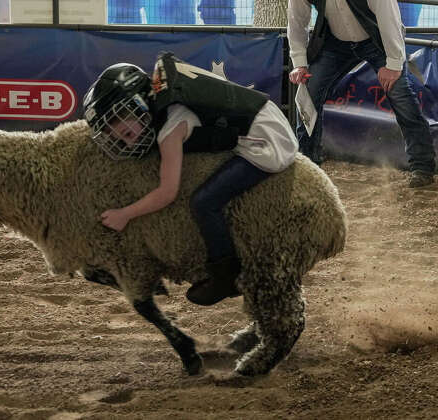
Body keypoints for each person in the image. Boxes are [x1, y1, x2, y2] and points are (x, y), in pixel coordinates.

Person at [82, 53, 298, 305]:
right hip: (264, 114)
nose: (124, 139)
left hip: (268, 141)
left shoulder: (171, 127)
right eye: (118, 136)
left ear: (140, 104)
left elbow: (167, 193)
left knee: (203, 202)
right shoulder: (167, 93)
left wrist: (125, 214)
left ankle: (226, 275)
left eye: (126, 129)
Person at [287, 0, 437, 187]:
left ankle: (424, 166)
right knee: (308, 92)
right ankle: (307, 163)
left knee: (401, 96)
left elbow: (388, 16)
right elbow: (296, 22)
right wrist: (299, 62)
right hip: (333, 41)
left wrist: (393, 62)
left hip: (375, 39)